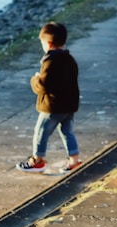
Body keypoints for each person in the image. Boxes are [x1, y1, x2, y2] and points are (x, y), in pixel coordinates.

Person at [16, 22, 82, 174]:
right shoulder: (69, 58)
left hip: (53, 105)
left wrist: (35, 80)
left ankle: (37, 161)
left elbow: (44, 86)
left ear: (49, 43)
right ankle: (74, 160)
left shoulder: (51, 61)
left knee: (41, 131)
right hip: (69, 104)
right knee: (67, 131)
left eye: (42, 43)